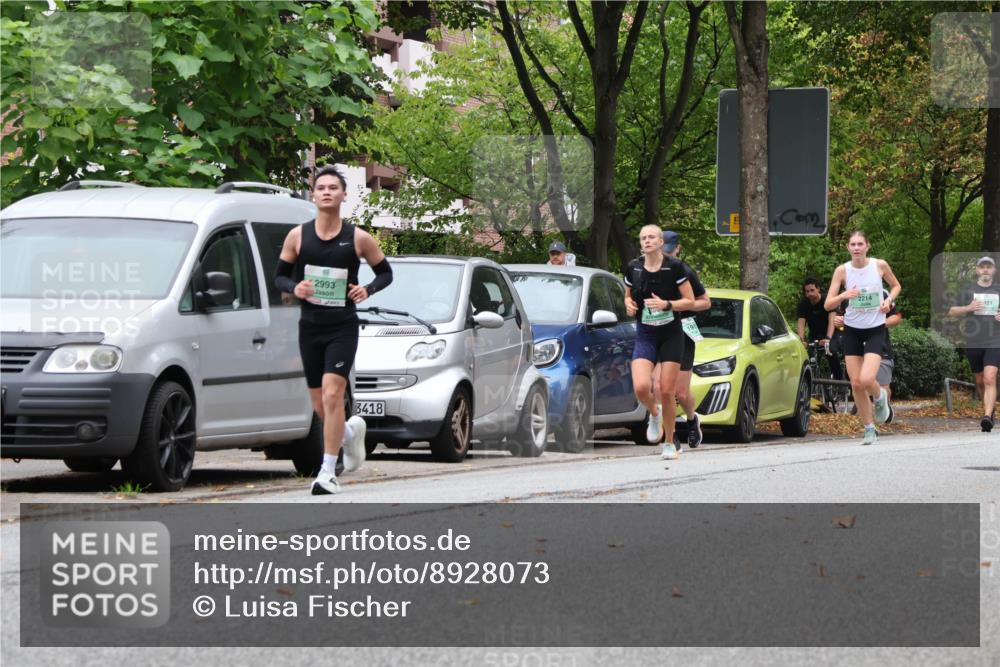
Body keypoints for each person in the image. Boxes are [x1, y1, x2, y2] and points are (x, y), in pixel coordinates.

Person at [274, 165, 394, 494]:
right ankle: (351, 435)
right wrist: (295, 288)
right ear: (312, 195)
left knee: (332, 396)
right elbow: (280, 276)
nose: (326, 192)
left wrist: (367, 290)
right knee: (320, 405)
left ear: (343, 195)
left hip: (342, 327)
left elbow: (386, 273)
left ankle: (328, 471)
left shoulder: (358, 238)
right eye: (321, 187)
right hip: (309, 328)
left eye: (333, 188)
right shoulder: (298, 235)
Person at [626, 230, 711, 449]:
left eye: (669, 250)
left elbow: (704, 302)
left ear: (676, 249)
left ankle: (692, 420)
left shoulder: (682, 271)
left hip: (680, 329)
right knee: (654, 385)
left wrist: (675, 305)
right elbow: (630, 293)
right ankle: (669, 435)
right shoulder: (641, 268)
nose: (666, 253)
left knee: (680, 392)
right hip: (652, 329)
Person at [824, 230, 901, 446]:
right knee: (856, 384)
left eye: (860, 244)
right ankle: (869, 429)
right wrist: (843, 295)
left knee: (867, 379)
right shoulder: (842, 271)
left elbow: (896, 286)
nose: (856, 248)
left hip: (875, 328)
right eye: (853, 244)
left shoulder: (879, 265)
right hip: (852, 330)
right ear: (848, 248)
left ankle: (880, 397)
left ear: (868, 246)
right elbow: (827, 304)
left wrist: (889, 302)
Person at [947, 256, 1000, 432]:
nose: (985, 269)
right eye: (982, 266)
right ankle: (990, 411)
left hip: (995, 339)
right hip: (974, 339)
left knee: (989, 377)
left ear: (994, 270)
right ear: (977, 270)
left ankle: (986, 416)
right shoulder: (967, 291)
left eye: (989, 267)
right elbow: (952, 311)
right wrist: (968, 308)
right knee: (979, 380)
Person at [836, 288, 901, 422]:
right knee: (859, 383)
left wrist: (879, 323)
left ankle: (884, 408)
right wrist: (839, 322)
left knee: (883, 385)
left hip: (880, 347)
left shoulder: (882, 292)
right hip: (857, 349)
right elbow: (838, 319)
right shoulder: (848, 295)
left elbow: (897, 317)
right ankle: (868, 422)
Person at [797, 277, 844, 381]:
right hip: (814, 334)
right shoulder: (803, 303)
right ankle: (810, 386)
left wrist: (828, 338)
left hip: (832, 333)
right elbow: (801, 324)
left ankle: (840, 383)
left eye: (812, 290)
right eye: (807, 291)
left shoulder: (827, 300)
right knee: (808, 357)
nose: (810, 294)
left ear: (818, 289)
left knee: (830, 351)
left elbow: (832, 321)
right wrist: (802, 340)